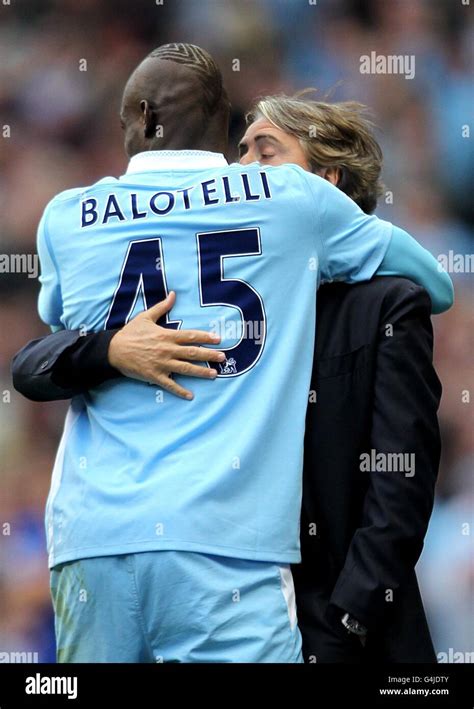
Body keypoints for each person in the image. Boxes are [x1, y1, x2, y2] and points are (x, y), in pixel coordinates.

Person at [12, 45, 453, 663]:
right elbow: (436, 281)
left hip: (92, 538)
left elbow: (47, 344)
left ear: (139, 116)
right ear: (223, 127)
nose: (252, 164)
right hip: (227, 551)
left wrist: (112, 346)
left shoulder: (65, 216)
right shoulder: (289, 202)